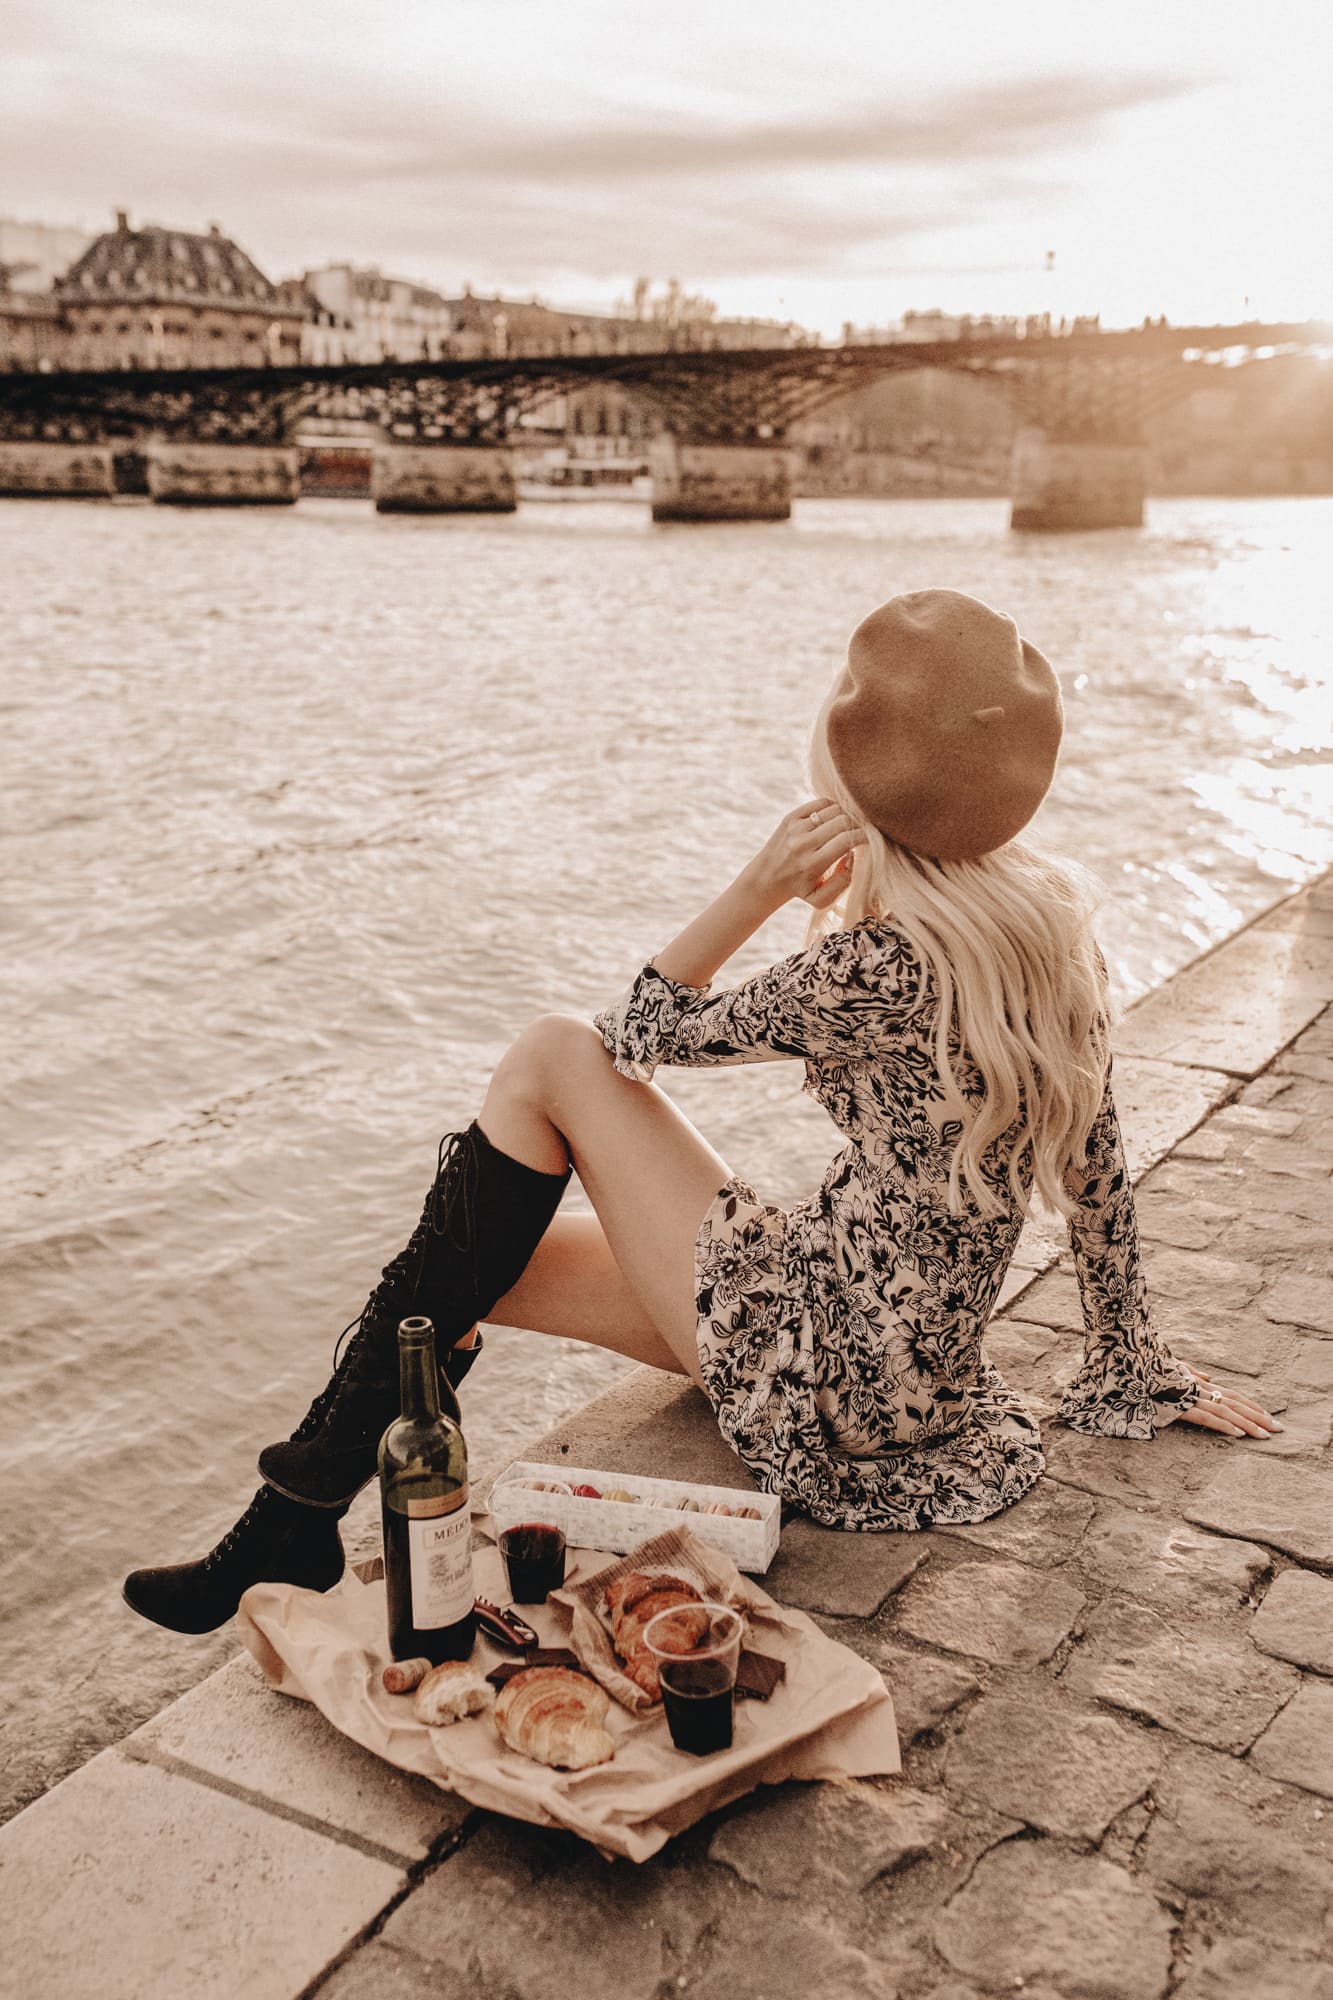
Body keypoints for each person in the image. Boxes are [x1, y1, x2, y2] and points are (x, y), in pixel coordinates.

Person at [124, 588, 1279, 1633]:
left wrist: (759, 885)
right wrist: (1129, 1357)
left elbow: (636, 1035)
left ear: (854, 774)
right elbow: (1099, 1175)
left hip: (824, 1375)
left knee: (551, 1053)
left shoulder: (876, 964)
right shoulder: (1042, 939)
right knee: (475, 1270)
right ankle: (306, 1515)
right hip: (901, 1369)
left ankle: (304, 1510)